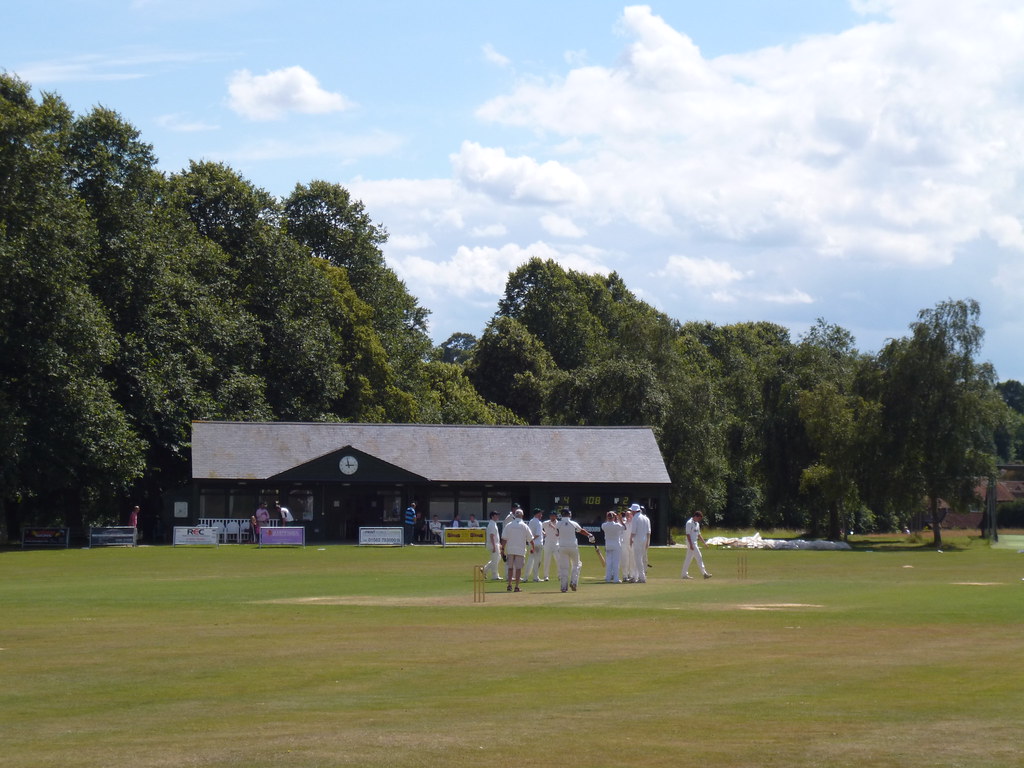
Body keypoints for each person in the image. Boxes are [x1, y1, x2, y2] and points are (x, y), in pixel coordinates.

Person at [555, 508, 593, 592]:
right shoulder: (573, 523)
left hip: (562, 547)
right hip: (573, 546)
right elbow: (581, 531)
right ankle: (573, 582)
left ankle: (563, 587)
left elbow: (557, 534)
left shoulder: (558, 524)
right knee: (576, 565)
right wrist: (589, 535)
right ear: (569, 514)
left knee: (564, 567)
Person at [500, 509, 535, 592]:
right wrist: (532, 548)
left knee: (510, 568)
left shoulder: (509, 525)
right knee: (518, 569)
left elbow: (504, 539)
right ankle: (516, 586)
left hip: (510, 549)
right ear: (522, 515)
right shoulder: (524, 526)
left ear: (515, 516)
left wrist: (502, 550)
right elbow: (531, 539)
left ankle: (509, 585)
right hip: (520, 550)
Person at [681, 511, 712, 580]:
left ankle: (684, 574)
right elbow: (688, 534)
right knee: (699, 556)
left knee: (688, 559)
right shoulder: (689, 523)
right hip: (691, 543)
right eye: (699, 518)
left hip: (695, 543)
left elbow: (698, 534)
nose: (699, 520)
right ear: (696, 516)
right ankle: (704, 573)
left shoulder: (697, 524)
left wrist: (704, 543)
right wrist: (691, 544)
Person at [601, 510, 626, 583]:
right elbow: (624, 527)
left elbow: (606, 522)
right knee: (616, 562)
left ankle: (608, 578)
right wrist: (620, 519)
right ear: (613, 517)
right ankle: (616, 579)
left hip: (608, 544)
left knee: (609, 562)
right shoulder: (617, 525)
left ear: (607, 517)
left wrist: (608, 516)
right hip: (616, 545)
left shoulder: (604, 525)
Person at [629, 503, 651, 583]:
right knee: (638, 559)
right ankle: (635, 576)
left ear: (634, 511)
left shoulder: (635, 518)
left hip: (638, 540)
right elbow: (649, 532)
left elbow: (633, 531)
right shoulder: (646, 518)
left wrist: (630, 539)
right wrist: (648, 542)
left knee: (638, 559)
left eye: (631, 510)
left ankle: (642, 577)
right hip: (644, 540)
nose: (631, 512)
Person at [523, 509, 545, 582]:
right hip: (538, 544)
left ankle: (525, 577)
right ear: (537, 514)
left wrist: (530, 540)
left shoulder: (531, 521)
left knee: (530, 560)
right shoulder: (539, 523)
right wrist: (532, 539)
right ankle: (535, 577)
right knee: (537, 561)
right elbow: (537, 534)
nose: (541, 515)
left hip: (531, 544)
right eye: (540, 514)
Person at [483, 511, 503, 580]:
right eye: (496, 515)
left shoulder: (494, 524)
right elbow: (491, 536)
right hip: (493, 544)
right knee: (495, 560)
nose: (497, 517)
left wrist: (499, 544)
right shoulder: (491, 524)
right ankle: (495, 576)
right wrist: (494, 546)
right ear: (492, 516)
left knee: (497, 558)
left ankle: (484, 569)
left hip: (495, 544)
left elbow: (495, 536)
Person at [541, 509, 559, 581]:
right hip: (548, 544)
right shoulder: (545, 523)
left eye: (553, 516)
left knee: (558, 560)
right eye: (551, 516)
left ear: (556, 516)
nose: (552, 517)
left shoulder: (559, 524)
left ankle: (560, 575)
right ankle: (546, 576)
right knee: (546, 560)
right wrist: (543, 533)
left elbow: (559, 533)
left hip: (556, 544)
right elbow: (540, 528)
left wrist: (553, 527)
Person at [620, 507, 636, 582]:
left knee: (632, 560)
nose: (628, 516)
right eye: (626, 515)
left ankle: (631, 575)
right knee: (625, 560)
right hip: (624, 543)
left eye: (629, 515)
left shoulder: (635, 522)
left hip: (632, 543)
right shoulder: (623, 522)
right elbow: (623, 525)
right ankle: (625, 576)